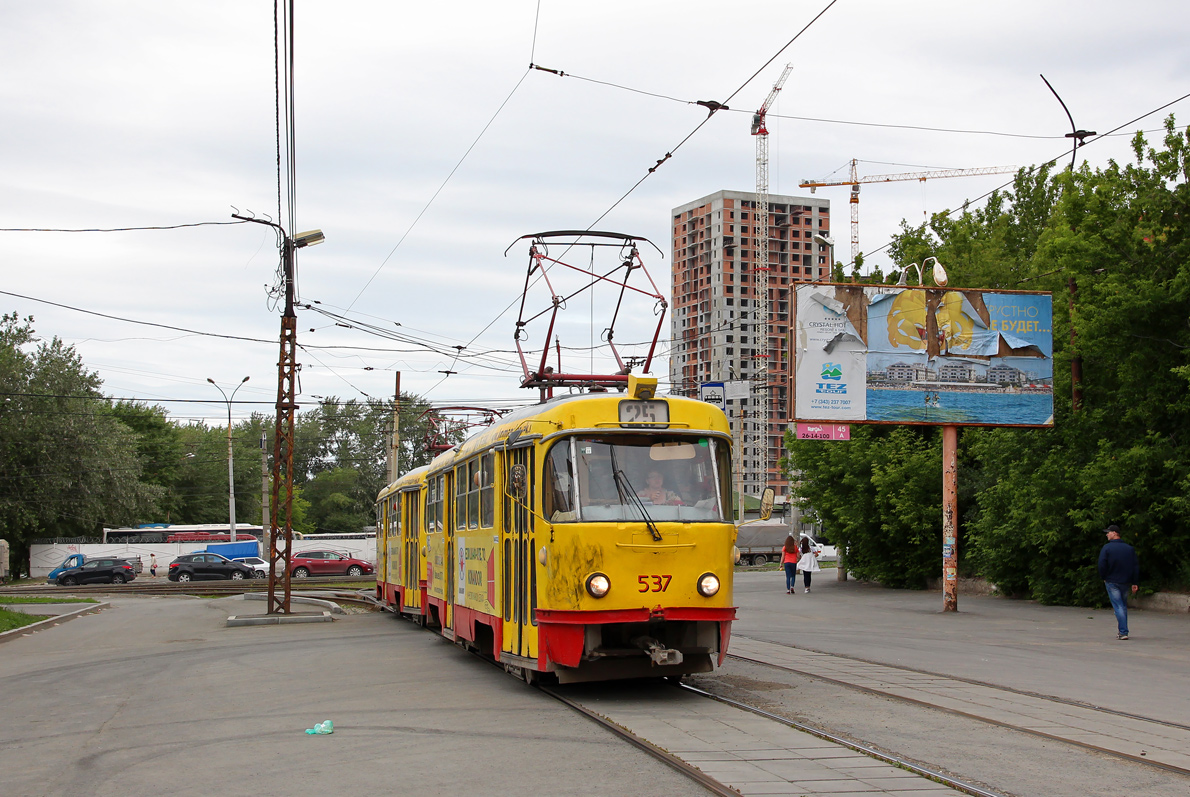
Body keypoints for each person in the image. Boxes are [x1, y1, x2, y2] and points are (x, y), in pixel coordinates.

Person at [1097, 524, 1139, 640]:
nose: (1107, 534)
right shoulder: (1129, 549)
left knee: (1118, 606)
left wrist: (1104, 577)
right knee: (1123, 606)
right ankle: (1122, 630)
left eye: (1108, 532)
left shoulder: (1107, 548)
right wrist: (1135, 582)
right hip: (1125, 582)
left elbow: (1102, 564)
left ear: (1115, 533)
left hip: (1112, 581)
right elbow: (1135, 566)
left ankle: (1123, 631)